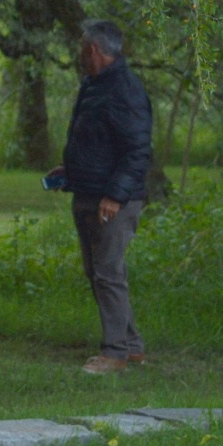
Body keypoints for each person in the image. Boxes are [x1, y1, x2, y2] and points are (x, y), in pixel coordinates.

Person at [50, 19, 152, 375]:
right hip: (88, 191)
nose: (79, 54)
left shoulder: (125, 89)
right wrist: (71, 169)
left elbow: (137, 150)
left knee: (108, 273)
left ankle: (114, 354)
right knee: (98, 272)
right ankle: (131, 346)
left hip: (112, 201)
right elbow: (98, 140)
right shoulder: (94, 85)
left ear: (92, 49)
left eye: (82, 47)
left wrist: (114, 195)